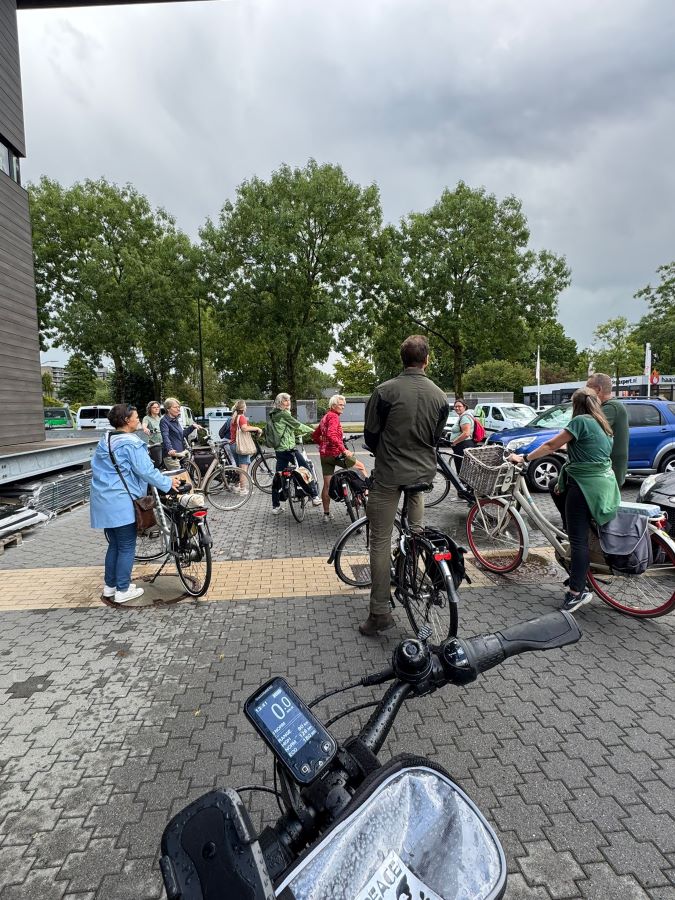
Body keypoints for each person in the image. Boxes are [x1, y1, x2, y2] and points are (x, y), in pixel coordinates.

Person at [360, 335, 449, 636]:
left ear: (403, 359)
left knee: (380, 541)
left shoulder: (385, 391)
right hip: (422, 475)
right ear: (427, 360)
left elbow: (371, 436)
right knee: (416, 531)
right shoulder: (440, 396)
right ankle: (412, 561)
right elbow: (435, 437)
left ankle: (379, 612)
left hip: (389, 474)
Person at [509, 387, 620, 613]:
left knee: (578, 542)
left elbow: (550, 445)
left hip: (584, 486)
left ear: (575, 405)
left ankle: (577, 592)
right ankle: (571, 533)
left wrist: (524, 458)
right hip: (604, 485)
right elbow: (583, 447)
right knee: (554, 485)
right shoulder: (603, 424)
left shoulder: (580, 421)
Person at [90, 404, 181, 604]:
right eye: (136, 416)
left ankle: (110, 587)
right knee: (126, 546)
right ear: (126, 420)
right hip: (121, 501)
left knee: (115, 544)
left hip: (103, 500)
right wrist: (168, 483)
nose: (139, 419)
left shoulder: (106, 440)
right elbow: (146, 470)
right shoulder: (131, 443)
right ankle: (123, 590)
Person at [316, 394, 368, 522]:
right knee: (361, 467)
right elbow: (332, 435)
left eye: (344, 405)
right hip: (336, 454)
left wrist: (323, 444)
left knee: (327, 485)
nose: (343, 407)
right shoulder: (333, 417)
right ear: (333, 405)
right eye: (340, 405)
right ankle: (367, 495)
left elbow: (315, 435)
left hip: (325, 456)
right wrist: (343, 450)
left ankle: (326, 514)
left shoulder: (325, 417)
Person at [268, 393, 322, 514]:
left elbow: (285, 430)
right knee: (305, 469)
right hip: (289, 449)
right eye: (285, 401)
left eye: (288, 400)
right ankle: (314, 496)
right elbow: (298, 425)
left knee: (278, 476)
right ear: (280, 403)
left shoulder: (273, 415)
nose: (288, 402)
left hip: (279, 450)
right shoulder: (283, 414)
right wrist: (315, 432)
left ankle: (275, 506)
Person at [586, 372, 629, 487]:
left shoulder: (611, 407)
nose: (585, 391)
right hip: (605, 468)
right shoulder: (608, 406)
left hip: (609, 469)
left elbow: (588, 429)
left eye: (588, 387)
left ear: (598, 389)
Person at [230, 399, 262, 491]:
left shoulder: (234, 417)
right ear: (244, 408)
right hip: (241, 445)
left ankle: (237, 486)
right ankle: (243, 489)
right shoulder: (242, 417)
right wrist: (257, 428)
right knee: (243, 469)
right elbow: (244, 428)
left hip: (233, 444)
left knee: (239, 468)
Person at [160, 397, 199, 470]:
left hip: (181, 453)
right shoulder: (164, 421)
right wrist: (170, 449)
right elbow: (165, 436)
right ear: (168, 409)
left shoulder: (175, 420)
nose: (178, 409)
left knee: (186, 475)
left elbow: (182, 434)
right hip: (172, 456)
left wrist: (192, 427)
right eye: (175, 407)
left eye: (179, 407)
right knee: (179, 476)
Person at [448, 399, 476, 475]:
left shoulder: (465, 417)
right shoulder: (463, 416)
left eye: (459, 406)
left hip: (462, 446)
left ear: (464, 407)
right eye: (455, 406)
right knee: (463, 471)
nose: (457, 408)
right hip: (463, 445)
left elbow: (466, 433)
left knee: (462, 471)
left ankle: (462, 483)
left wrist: (454, 442)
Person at [142, 400, 163, 469]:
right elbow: (144, 426)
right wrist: (145, 429)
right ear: (150, 409)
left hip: (163, 442)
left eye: (158, 407)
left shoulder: (161, 418)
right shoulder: (147, 418)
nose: (157, 409)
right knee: (158, 462)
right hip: (154, 444)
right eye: (154, 407)